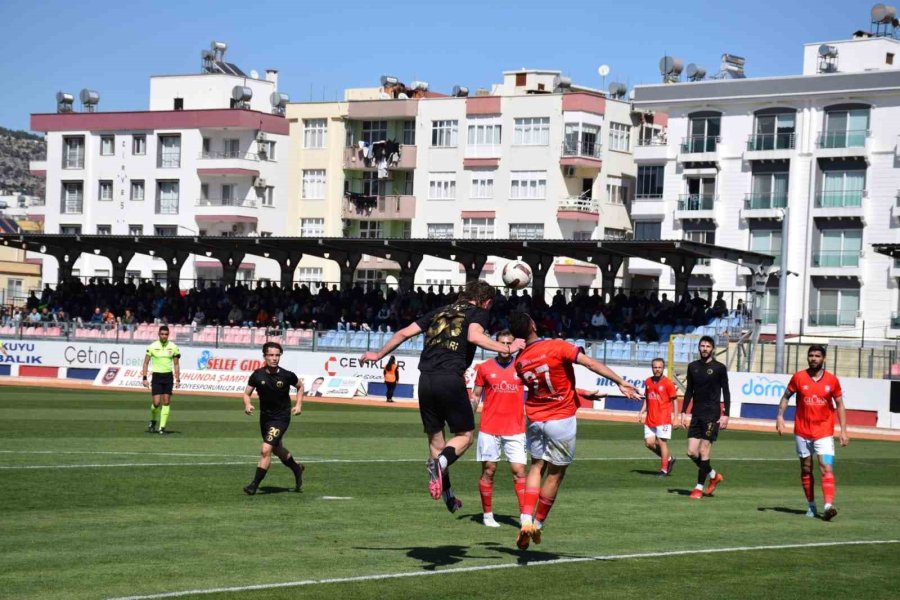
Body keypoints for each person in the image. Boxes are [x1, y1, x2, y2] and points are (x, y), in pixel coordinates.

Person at [360, 280, 526, 514]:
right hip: (449, 378)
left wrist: (378, 354)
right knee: (465, 436)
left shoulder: (440, 311)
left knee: (437, 445)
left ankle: (447, 494)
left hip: (425, 380)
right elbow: (475, 336)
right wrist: (508, 348)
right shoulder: (479, 312)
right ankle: (439, 465)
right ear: (486, 301)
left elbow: (403, 333)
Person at [508, 310, 641, 550]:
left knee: (537, 466)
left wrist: (579, 392)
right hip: (561, 418)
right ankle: (538, 523)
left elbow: (545, 385)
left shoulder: (519, 362)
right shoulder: (557, 346)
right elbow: (590, 363)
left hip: (536, 418)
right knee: (556, 473)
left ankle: (525, 519)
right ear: (533, 324)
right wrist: (620, 381)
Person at [775, 345, 849, 520]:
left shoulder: (832, 380)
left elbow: (840, 405)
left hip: (824, 433)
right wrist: (779, 416)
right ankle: (811, 505)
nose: (813, 358)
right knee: (806, 468)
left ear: (823, 359)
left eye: (817, 356)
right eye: (811, 355)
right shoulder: (798, 377)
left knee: (826, 466)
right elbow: (786, 396)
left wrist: (844, 431)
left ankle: (828, 505)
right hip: (802, 432)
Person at [470, 330, 527, 528]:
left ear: (514, 345)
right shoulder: (484, 367)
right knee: (489, 470)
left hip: (516, 428)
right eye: (501, 342)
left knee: (519, 471)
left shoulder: (522, 367)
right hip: (489, 427)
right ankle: (487, 515)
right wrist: (469, 418)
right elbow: (476, 395)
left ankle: (524, 518)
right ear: (496, 344)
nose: (505, 346)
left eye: (508, 343)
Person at [241, 342, 306, 496]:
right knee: (277, 449)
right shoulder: (257, 375)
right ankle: (297, 469)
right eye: (271, 355)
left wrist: (298, 405)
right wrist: (248, 404)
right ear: (264, 356)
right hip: (265, 418)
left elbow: (300, 386)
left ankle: (253, 485)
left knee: (265, 449)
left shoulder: (286, 375)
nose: (274, 358)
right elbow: (246, 393)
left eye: (277, 355)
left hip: (281, 417)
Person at [680, 335, 730, 500]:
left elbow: (726, 391)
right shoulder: (692, 367)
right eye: (702, 346)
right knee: (691, 452)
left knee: (703, 450)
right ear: (699, 348)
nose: (705, 349)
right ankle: (714, 475)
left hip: (712, 415)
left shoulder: (719, 368)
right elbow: (689, 391)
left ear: (713, 349)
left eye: (708, 346)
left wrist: (726, 414)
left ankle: (698, 487)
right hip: (697, 413)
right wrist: (683, 412)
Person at [639, 357, 681, 476]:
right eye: (655, 367)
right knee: (649, 443)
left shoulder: (668, 383)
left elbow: (674, 401)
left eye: (659, 367)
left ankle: (664, 469)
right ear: (652, 368)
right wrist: (642, 410)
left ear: (663, 368)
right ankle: (668, 459)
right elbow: (647, 398)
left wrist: (676, 418)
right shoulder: (647, 382)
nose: (657, 369)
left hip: (663, 418)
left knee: (662, 442)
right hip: (650, 418)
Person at [141, 325, 181, 434]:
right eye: (162, 334)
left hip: (168, 377)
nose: (164, 336)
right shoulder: (152, 346)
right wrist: (144, 378)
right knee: (156, 403)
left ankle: (162, 427)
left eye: (166, 334)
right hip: (157, 377)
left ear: (168, 335)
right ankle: (153, 421)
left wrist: (178, 379)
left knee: (166, 401)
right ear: (158, 334)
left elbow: (176, 364)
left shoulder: (173, 347)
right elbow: (145, 363)